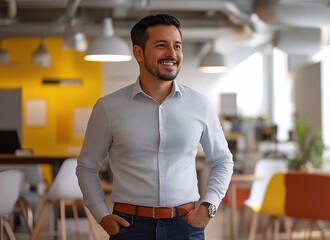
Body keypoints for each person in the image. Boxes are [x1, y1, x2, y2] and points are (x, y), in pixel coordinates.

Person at [76, 14, 234, 239]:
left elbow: (222, 160)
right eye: (162, 45)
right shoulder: (108, 108)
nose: (172, 53)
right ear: (138, 53)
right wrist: (102, 216)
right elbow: (86, 167)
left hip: (186, 226)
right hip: (129, 227)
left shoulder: (200, 104)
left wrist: (209, 208)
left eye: (177, 46)